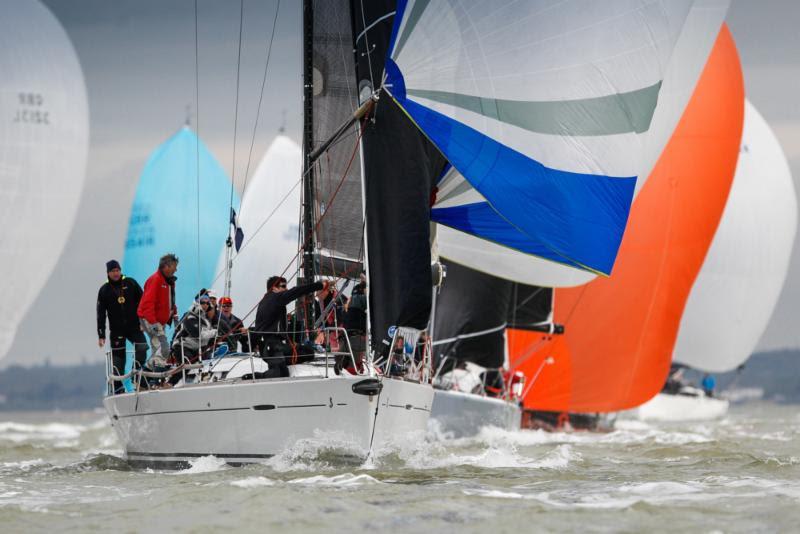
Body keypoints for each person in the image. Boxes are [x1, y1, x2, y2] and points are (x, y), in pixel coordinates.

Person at [254, 275, 327, 377]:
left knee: (308, 352)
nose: (286, 289)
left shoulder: (265, 301)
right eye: (283, 286)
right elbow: (297, 291)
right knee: (281, 373)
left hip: (273, 346)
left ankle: (280, 363)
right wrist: (320, 285)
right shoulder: (275, 297)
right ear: (274, 288)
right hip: (271, 346)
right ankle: (256, 376)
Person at [96, 260, 147, 393]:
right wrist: (101, 335)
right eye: (113, 271)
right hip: (117, 330)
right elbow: (101, 314)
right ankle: (118, 387)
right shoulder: (104, 290)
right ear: (108, 273)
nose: (116, 273)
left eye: (117, 270)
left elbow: (143, 301)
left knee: (142, 347)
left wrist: (143, 322)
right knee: (118, 360)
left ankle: (137, 377)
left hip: (134, 327)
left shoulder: (131, 283)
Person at [137, 253, 179, 366]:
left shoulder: (169, 281)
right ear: (166, 266)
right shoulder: (155, 280)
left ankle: (148, 375)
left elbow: (170, 301)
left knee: (159, 349)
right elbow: (147, 304)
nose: (176, 269)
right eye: (174, 266)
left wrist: (174, 315)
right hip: (150, 320)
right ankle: (157, 377)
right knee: (163, 348)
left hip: (159, 322)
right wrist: (153, 323)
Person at [171, 294, 216, 363]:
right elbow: (198, 335)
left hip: (197, 349)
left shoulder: (205, 320)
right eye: (202, 302)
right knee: (188, 367)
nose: (205, 305)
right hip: (183, 347)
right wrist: (214, 332)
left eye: (207, 303)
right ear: (197, 303)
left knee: (206, 363)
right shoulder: (190, 317)